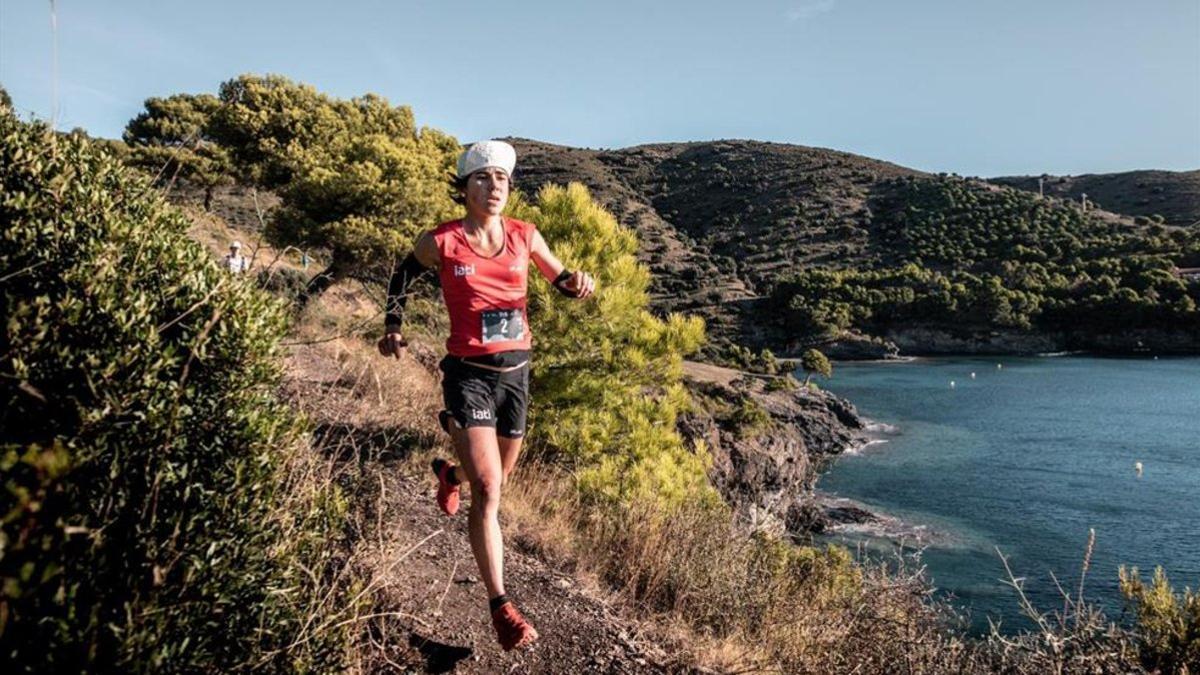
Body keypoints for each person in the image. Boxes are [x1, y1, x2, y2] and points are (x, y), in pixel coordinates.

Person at [378, 140, 595, 651]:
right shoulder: (443, 241)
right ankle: (501, 606)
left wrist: (577, 284)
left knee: (494, 475)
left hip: (516, 375)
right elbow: (401, 274)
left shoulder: (525, 236)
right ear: (465, 187)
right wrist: (393, 325)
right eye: (483, 178)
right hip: (467, 375)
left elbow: (559, 278)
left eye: (502, 179)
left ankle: (447, 474)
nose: (494, 187)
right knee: (491, 490)